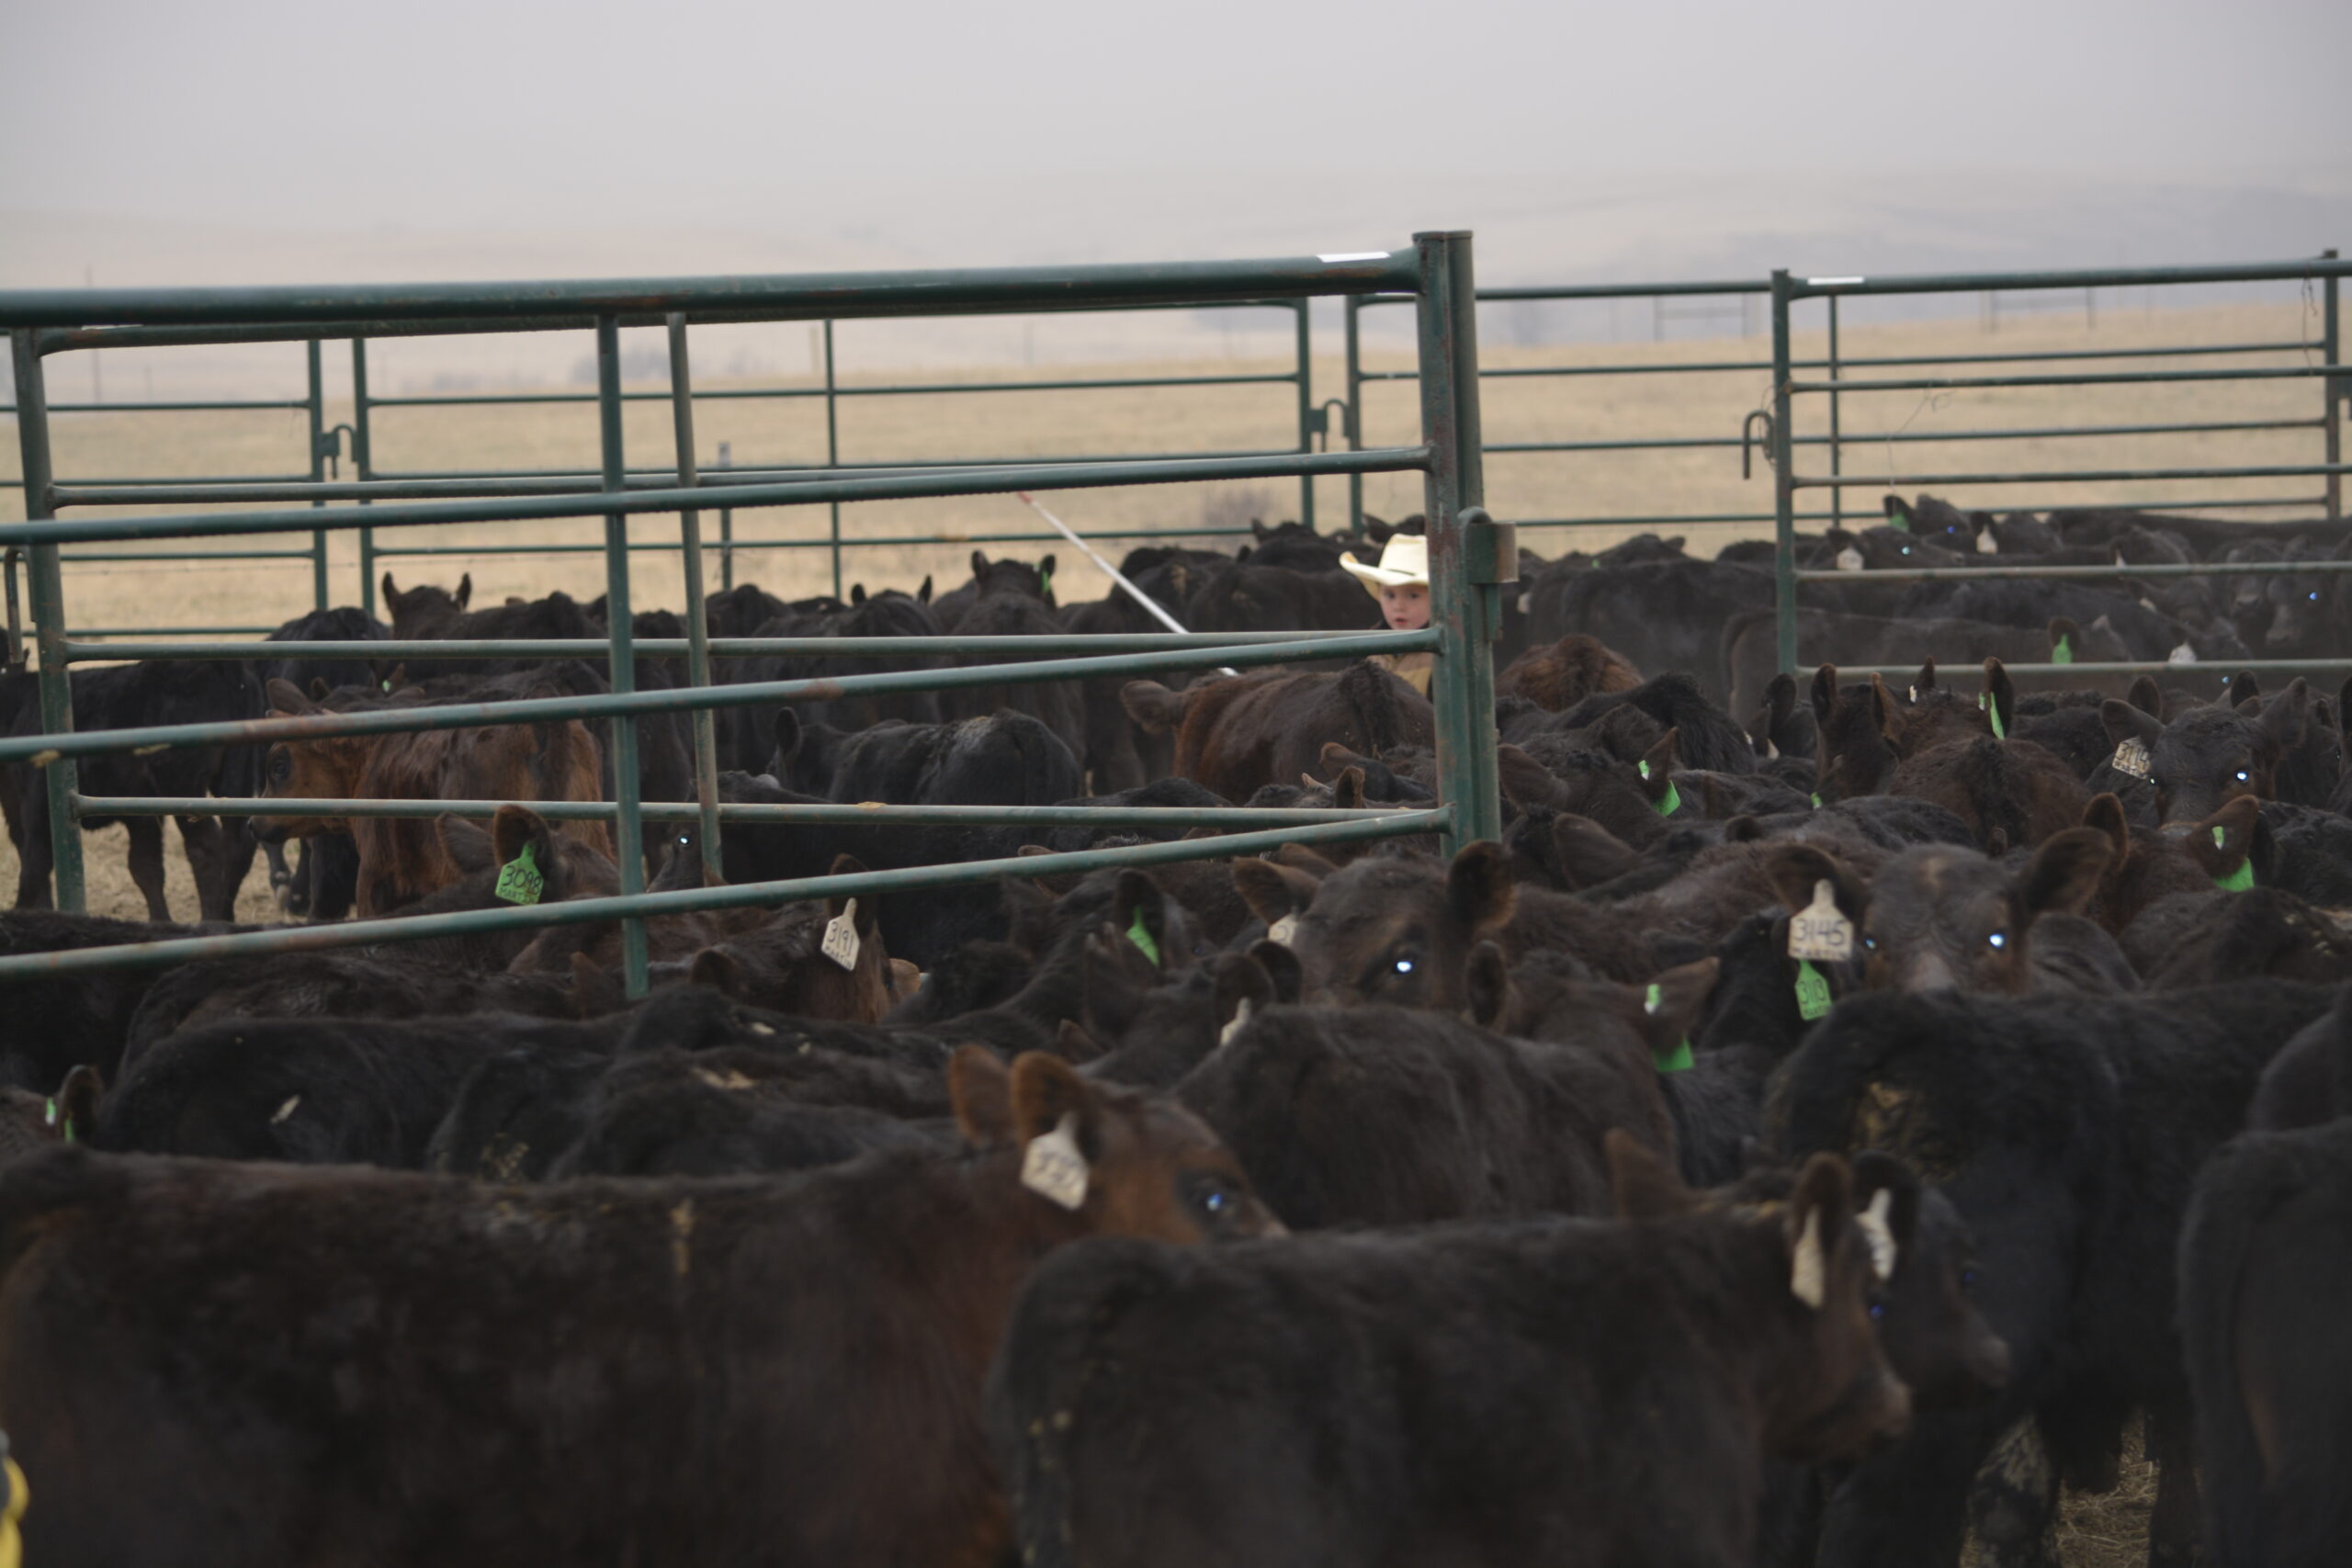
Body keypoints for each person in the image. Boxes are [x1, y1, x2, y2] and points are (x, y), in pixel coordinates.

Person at [1339, 531, 1434, 695]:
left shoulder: (1444, 654)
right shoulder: (1365, 650)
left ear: (1436, 599)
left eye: (1413, 596)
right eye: (1390, 595)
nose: (1398, 606)